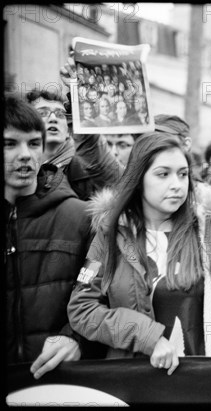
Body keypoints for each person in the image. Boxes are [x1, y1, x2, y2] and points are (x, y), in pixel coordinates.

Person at [67, 133, 211, 373]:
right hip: (132, 381)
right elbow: (82, 308)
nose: (177, 185)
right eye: (163, 174)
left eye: (183, 174)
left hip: (200, 380)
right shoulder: (110, 232)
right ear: (139, 179)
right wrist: (146, 335)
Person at [4, 94, 95, 379]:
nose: (25, 154)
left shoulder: (82, 217)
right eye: (10, 143)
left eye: (33, 143)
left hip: (62, 382)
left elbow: (104, 294)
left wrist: (75, 338)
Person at [26, 89, 121, 201]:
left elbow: (118, 181)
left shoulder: (87, 171)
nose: (53, 118)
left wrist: (76, 88)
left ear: (68, 130)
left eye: (60, 114)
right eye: (42, 113)